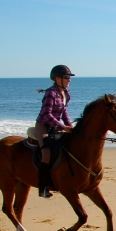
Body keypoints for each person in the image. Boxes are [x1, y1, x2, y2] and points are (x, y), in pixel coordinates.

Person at [35, 65, 75, 198]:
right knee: (46, 153)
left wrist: (71, 127)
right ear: (57, 78)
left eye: (69, 77)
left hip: (56, 127)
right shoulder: (50, 93)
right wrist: (63, 127)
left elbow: (64, 112)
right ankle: (43, 188)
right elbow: (46, 114)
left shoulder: (65, 93)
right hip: (43, 126)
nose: (69, 80)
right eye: (66, 77)